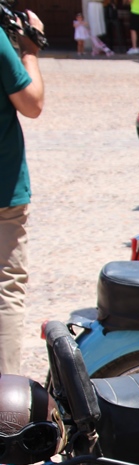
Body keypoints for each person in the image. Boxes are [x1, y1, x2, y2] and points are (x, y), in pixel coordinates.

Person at [1, 10, 45, 375]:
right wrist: (30, 49)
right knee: (5, 287)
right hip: (3, 187)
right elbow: (32, 104)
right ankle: (5, 393)